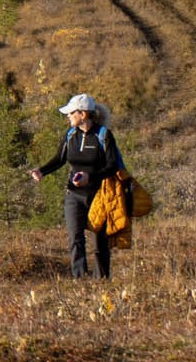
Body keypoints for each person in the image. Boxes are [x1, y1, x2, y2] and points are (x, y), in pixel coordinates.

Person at [32, 93, 126, 279]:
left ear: (83, 114)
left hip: (99, 196)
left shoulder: (103, 135)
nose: (67, 116)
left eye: (71, 113)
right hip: (73, 195)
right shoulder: (70, 135)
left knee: (100, 243)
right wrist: (42, 171)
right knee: (75, 239)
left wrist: (89, 177)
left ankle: (101, 281)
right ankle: (80, 280)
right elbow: (60, 159)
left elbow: (112, 166)